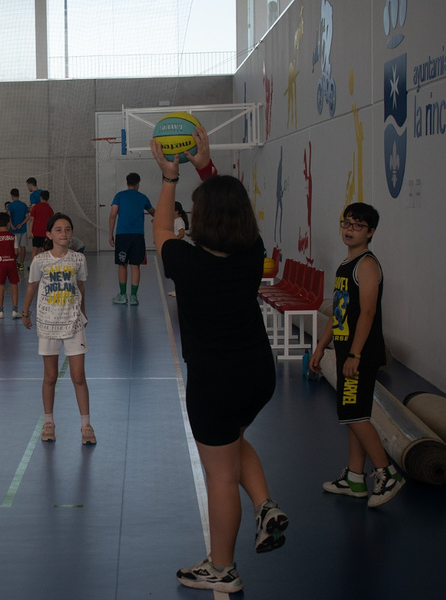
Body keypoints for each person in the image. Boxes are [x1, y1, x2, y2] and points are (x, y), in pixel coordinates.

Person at [151, 126, 286, 594]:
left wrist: (169, 177)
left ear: (202, 219)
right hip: (258, 376)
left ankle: (222, 568)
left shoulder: (187, 264)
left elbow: (163, 228)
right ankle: (266, 504)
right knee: (235, 439)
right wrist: (204, 165)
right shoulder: (253, 255)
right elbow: (224, 208)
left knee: (221, 476)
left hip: (214, 385)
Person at [309, 203, 405, 508]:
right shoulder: (345, 265)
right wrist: (322, 344)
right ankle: (354, 477)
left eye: (358, 226)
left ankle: (387, 474)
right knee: (355, 414)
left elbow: (367, 311)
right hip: (344, 350)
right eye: (346, 223)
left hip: (359, 354)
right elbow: (338, 313)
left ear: (371, 232)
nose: (349, 230)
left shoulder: (366, 265)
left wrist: (354, 354)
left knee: (353, 413)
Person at [21, 213, 95, 446]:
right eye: (59, 230)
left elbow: (80, 286)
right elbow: (32, 287)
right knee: (50, 377)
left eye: (68, 229)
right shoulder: (40, 261)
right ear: (49, 234)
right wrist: (25, 312)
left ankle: (86, 426)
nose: (64, 234)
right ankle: (49, 422)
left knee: (78, 376)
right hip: (47, 323)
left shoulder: (78, 260)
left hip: (73, 323)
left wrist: (83, 312)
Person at [108, 172, 155, 306]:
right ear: (138, 183)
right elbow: (154, 212)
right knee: (136, 266)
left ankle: (122, 295)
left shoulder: (119, 196)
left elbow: (113, 215)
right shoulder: (143, 197)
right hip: (138, 236)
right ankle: (133, 297)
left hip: (122, 235)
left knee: (122, 265)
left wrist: (110, 234)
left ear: (127, 182)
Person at [0, 212, 21, 319]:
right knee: (14, 286)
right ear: (9, 222)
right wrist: (12, 258)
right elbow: (16, 252)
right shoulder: (13, 236)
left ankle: (0, 311)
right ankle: (15, 310)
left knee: (1, 287)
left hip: (1, 264)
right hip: (12, 263)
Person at [7, 188, 30, 270]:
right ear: (19, 195)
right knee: (22, 247)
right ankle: (21, 264)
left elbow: (8, 216)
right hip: (23, 229)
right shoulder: (23, 205)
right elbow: (27, 217)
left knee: (13, 247)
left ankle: (13, 262)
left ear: (12, 196)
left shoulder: (10, 205)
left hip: (13, 230)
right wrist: (21, 224)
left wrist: (11, 225)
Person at [29, 190, 54, 262]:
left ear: (40, 197)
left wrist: (30, 231)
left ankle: (33, 265)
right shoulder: (50, 209)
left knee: (35, 248)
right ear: (48, 198)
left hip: (36, 231)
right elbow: (52, 222)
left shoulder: (36, 207)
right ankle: (42, 264)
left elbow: (31, 219)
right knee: (43, 249)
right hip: (45, 232)